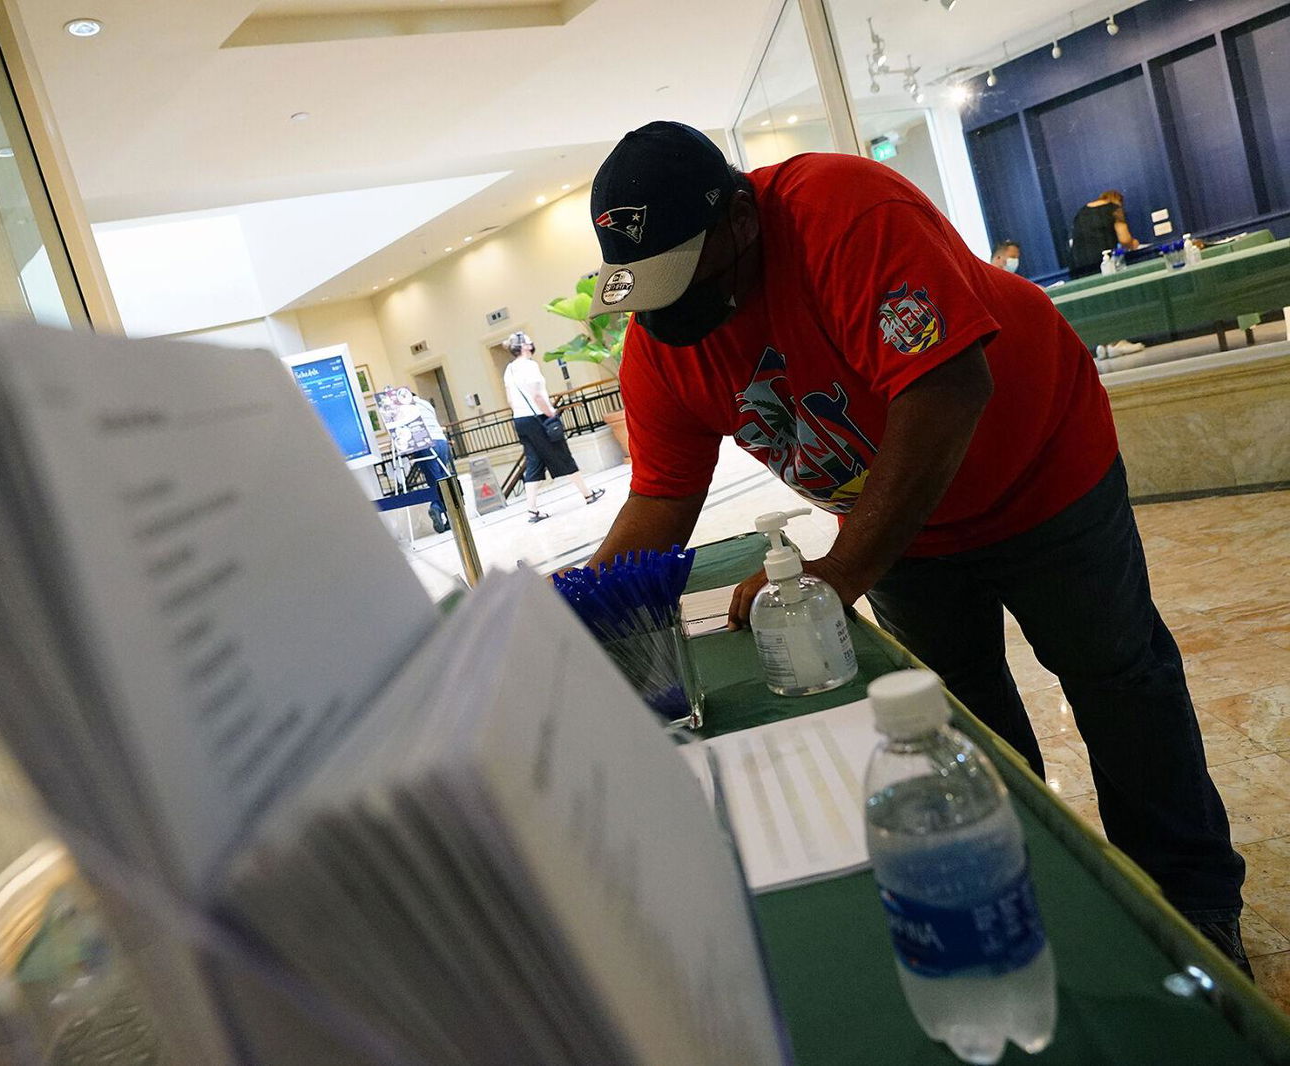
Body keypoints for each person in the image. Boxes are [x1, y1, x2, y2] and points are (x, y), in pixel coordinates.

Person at [583, 121, 1249, 972]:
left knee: (1117, 681)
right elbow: (660, 497)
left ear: (741, 221)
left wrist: (838, 573)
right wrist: (575, 618)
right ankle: (1031, 889)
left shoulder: (840, 209)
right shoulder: (662, 347)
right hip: (904, 524)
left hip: (1042, 467)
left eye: (685, 277)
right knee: (957, 718)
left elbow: (946, 389)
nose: (671, 315)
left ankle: (1195, 906)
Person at [501, 331, 603, 522]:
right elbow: (537, 395)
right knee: (562, 453)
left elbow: (510, 399)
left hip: (520, 420)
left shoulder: (510, 369)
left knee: (534, 462)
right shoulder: (529, 366)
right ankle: (588, 494)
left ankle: (531, 510)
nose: (532, 342)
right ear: (524, 347)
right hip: (537, 417)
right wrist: (550, 413)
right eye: (529, 341)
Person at [385, 386, 457, 533]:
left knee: (434, 482)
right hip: (442, 441)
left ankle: (436, 508)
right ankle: (449, 518)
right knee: (442, 478)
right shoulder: (426, 404)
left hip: (424, 443)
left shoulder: (405, 407)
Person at [1068, 190, 1139, 277]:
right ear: (1118, 200)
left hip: (1076, 265)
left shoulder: (1081, 211)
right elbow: (1125, 240)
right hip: (1102, 263)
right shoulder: (1115, 209)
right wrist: (1133, 243)